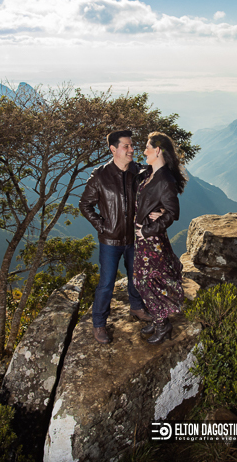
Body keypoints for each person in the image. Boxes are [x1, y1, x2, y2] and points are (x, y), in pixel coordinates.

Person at [79, 130, 154, 344]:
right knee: (106, 283)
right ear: (113, 149)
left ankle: (137, 307)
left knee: (136, 276)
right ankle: (99, 324)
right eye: (126, 146)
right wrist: (101, 226)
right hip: (110, 241)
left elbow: (156, 183)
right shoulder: (100, 176)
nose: (131, 149)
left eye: (132, 145)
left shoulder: (138, 171)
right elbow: (85, 205)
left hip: (134, 237)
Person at [134, 131, 188, 344]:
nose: (144, 151)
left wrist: (147, 230)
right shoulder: (150, 172)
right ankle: (159, 320)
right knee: (144, 281)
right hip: (143, 238)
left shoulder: (165, 179)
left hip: (151, 239)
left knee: (147, 281)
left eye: (147, 147)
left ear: (157, 150)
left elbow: (173, 212)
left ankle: (163, 325)